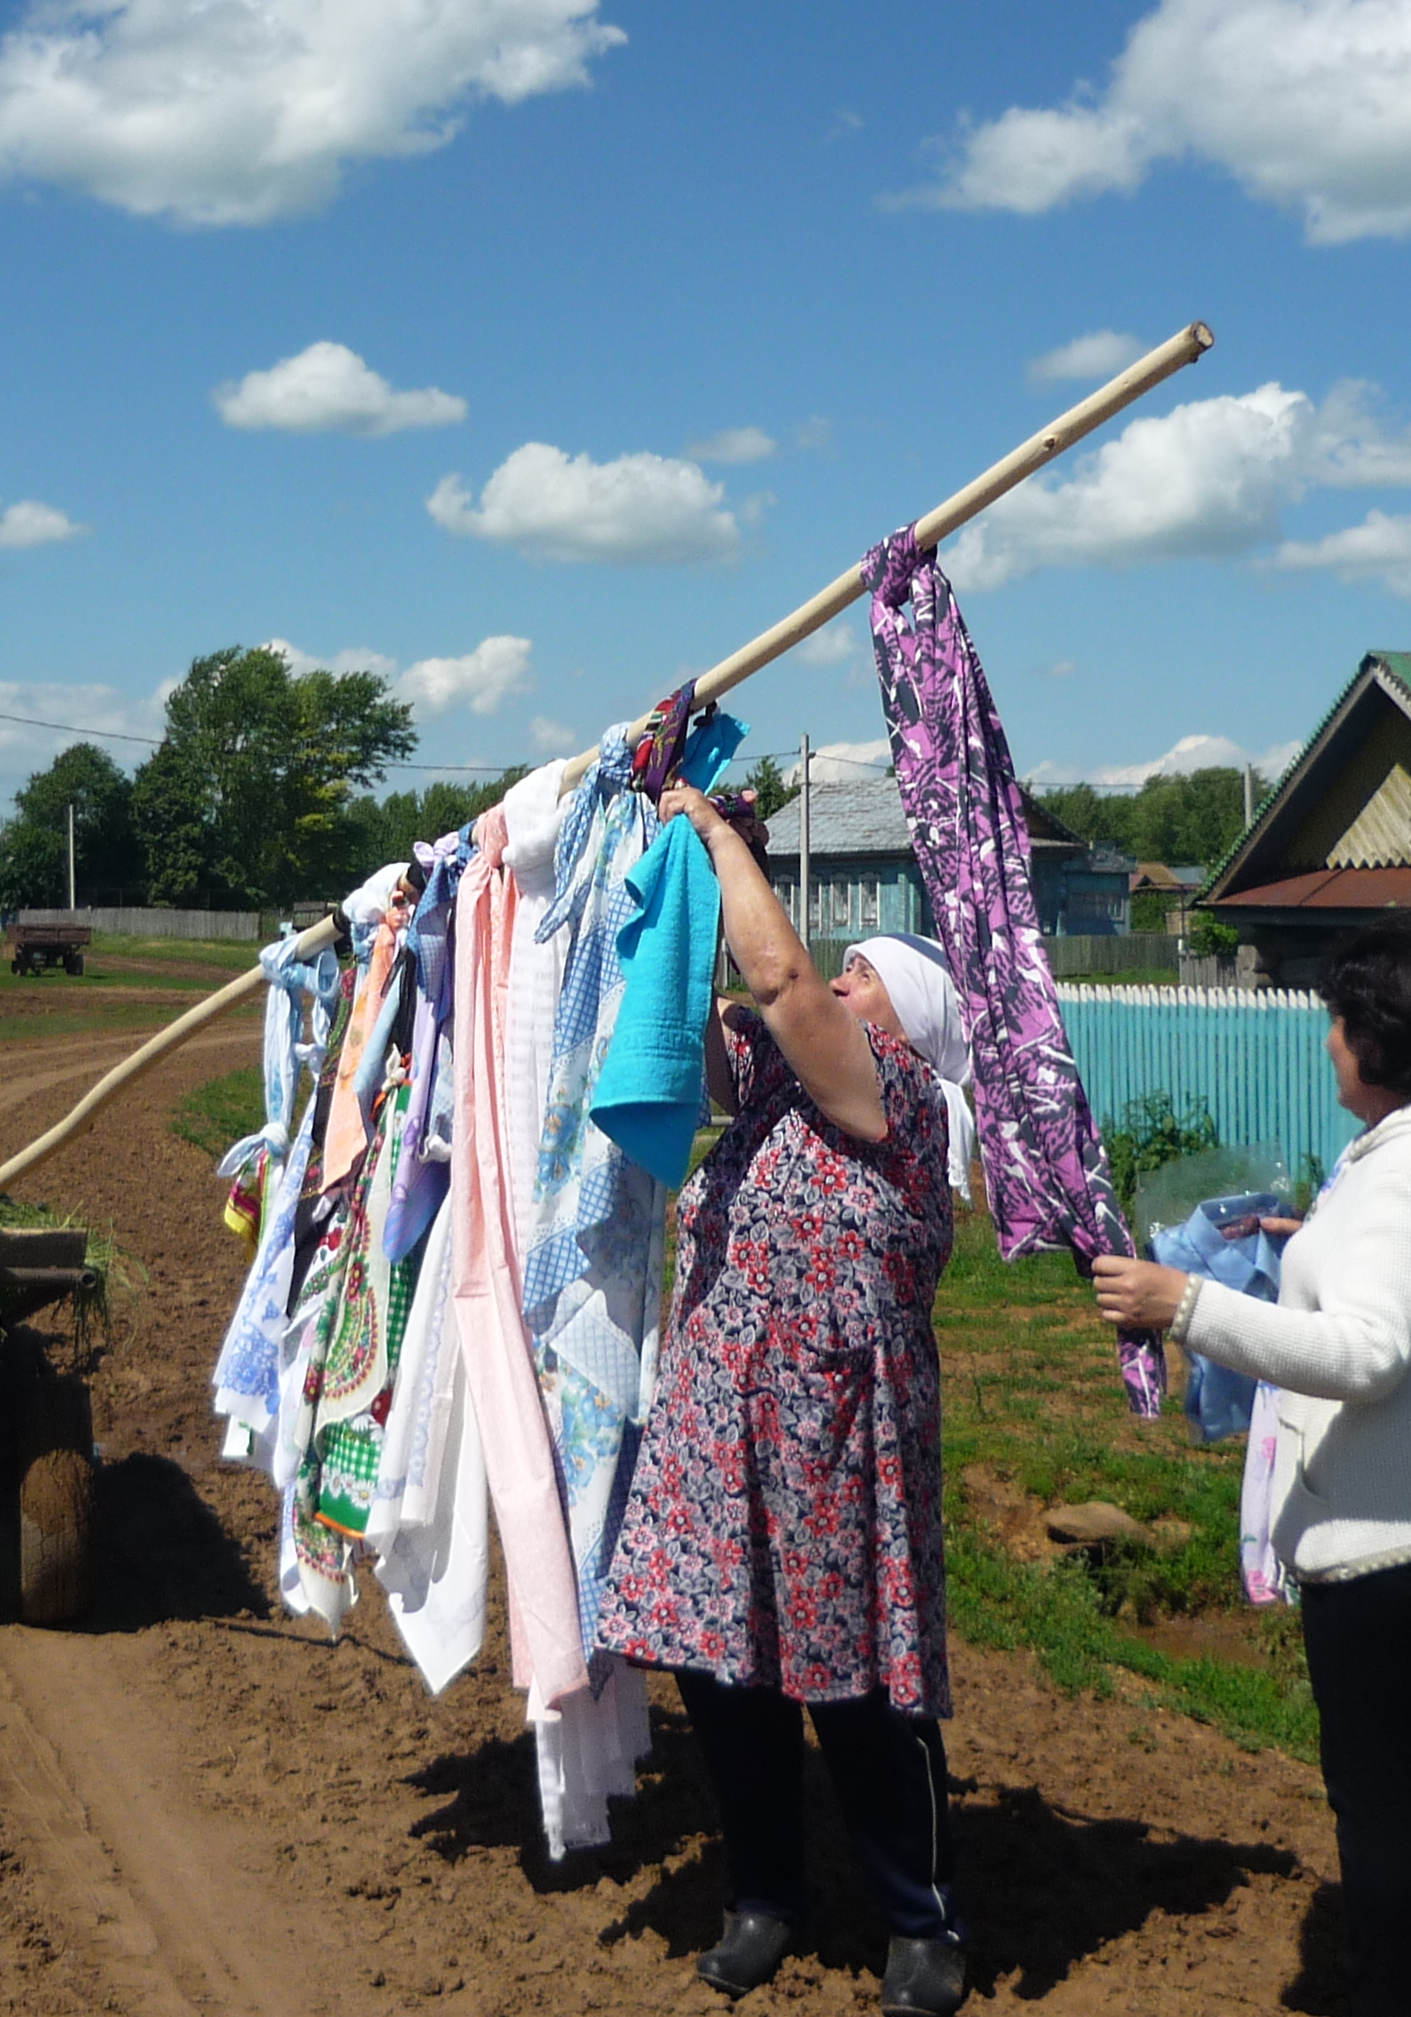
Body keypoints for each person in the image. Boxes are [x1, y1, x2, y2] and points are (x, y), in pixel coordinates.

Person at [1091, 918, 1411, 2017]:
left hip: (1391, 1541)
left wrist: (1186, 1304)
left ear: (1381, 1039)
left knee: (1380, 1807)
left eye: (1337, 1022)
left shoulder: (1408, 1174)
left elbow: (1368, 1354)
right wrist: (1311, 1247)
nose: (1328, 1042)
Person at [593, 783, 974, 2017]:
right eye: (841, 972)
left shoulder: (898, 1108)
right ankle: (764, 1894)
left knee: (855, 1681)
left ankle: (920, 1918)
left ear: (900, 1023)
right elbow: (695, 1013)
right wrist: (705, 871)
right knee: (723, 1671)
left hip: (834, 1434)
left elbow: (783, 989)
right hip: (720, 1426)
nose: (833, 982)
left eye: (859, 976)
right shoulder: (768, 1098)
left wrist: (715, 836)